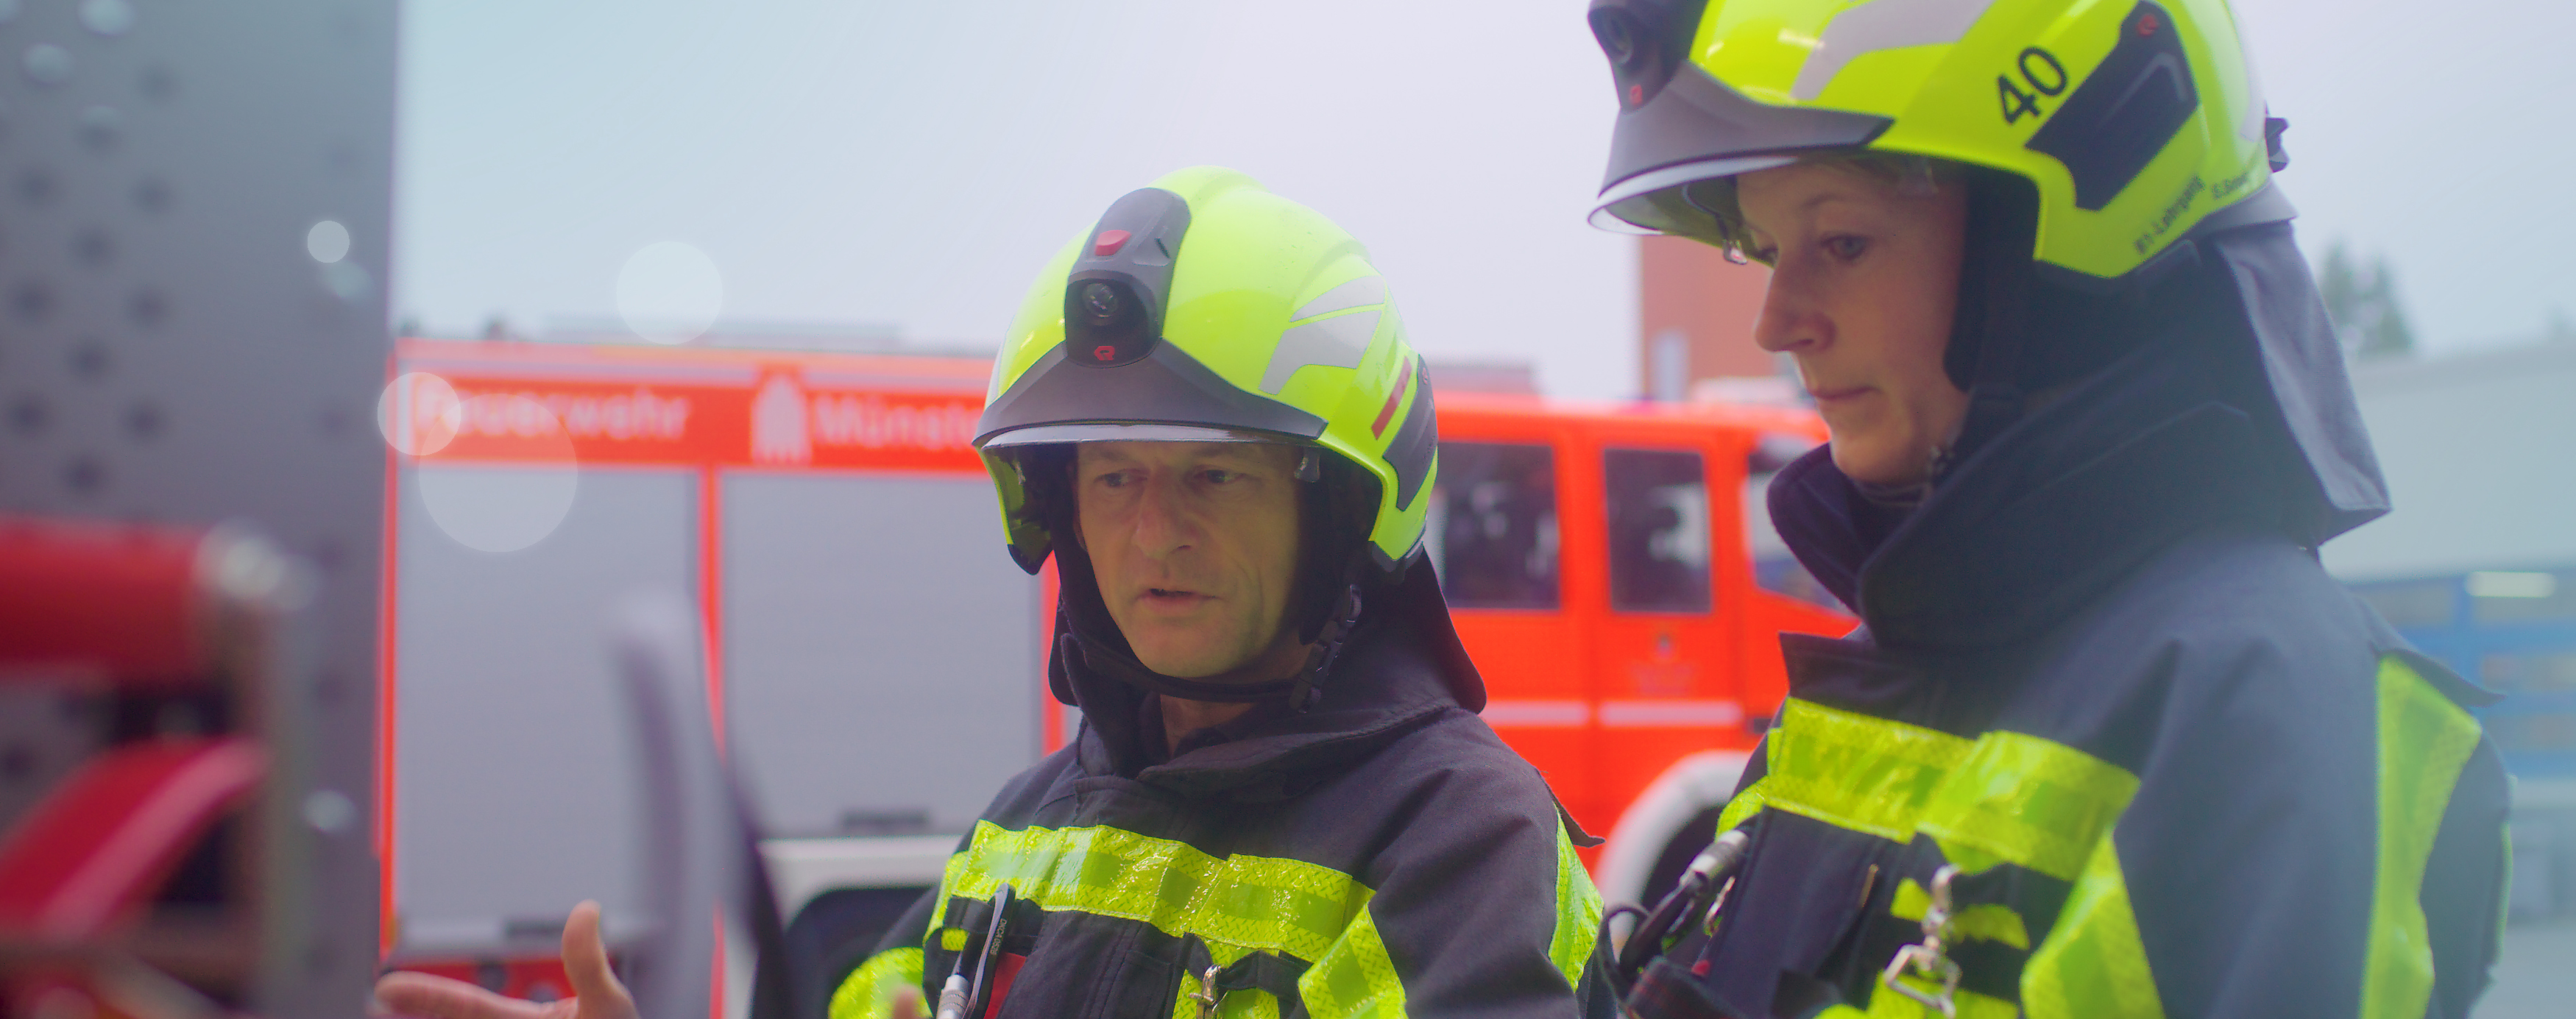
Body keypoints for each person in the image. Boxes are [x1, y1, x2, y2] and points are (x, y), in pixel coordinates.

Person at [378, 166, 1617, 1019]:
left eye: (1216, 476)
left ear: (1344, 509)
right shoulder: (1030, 823)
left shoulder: (1466, 845)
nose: (1153, 533)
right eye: (1115, 474)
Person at [1577, 0, 2509, 1017]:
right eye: (1760, 249)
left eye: (1840, 242)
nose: (1774, 323)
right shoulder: (1881, 671)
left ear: (2059, 255)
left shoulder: (2274, 712)